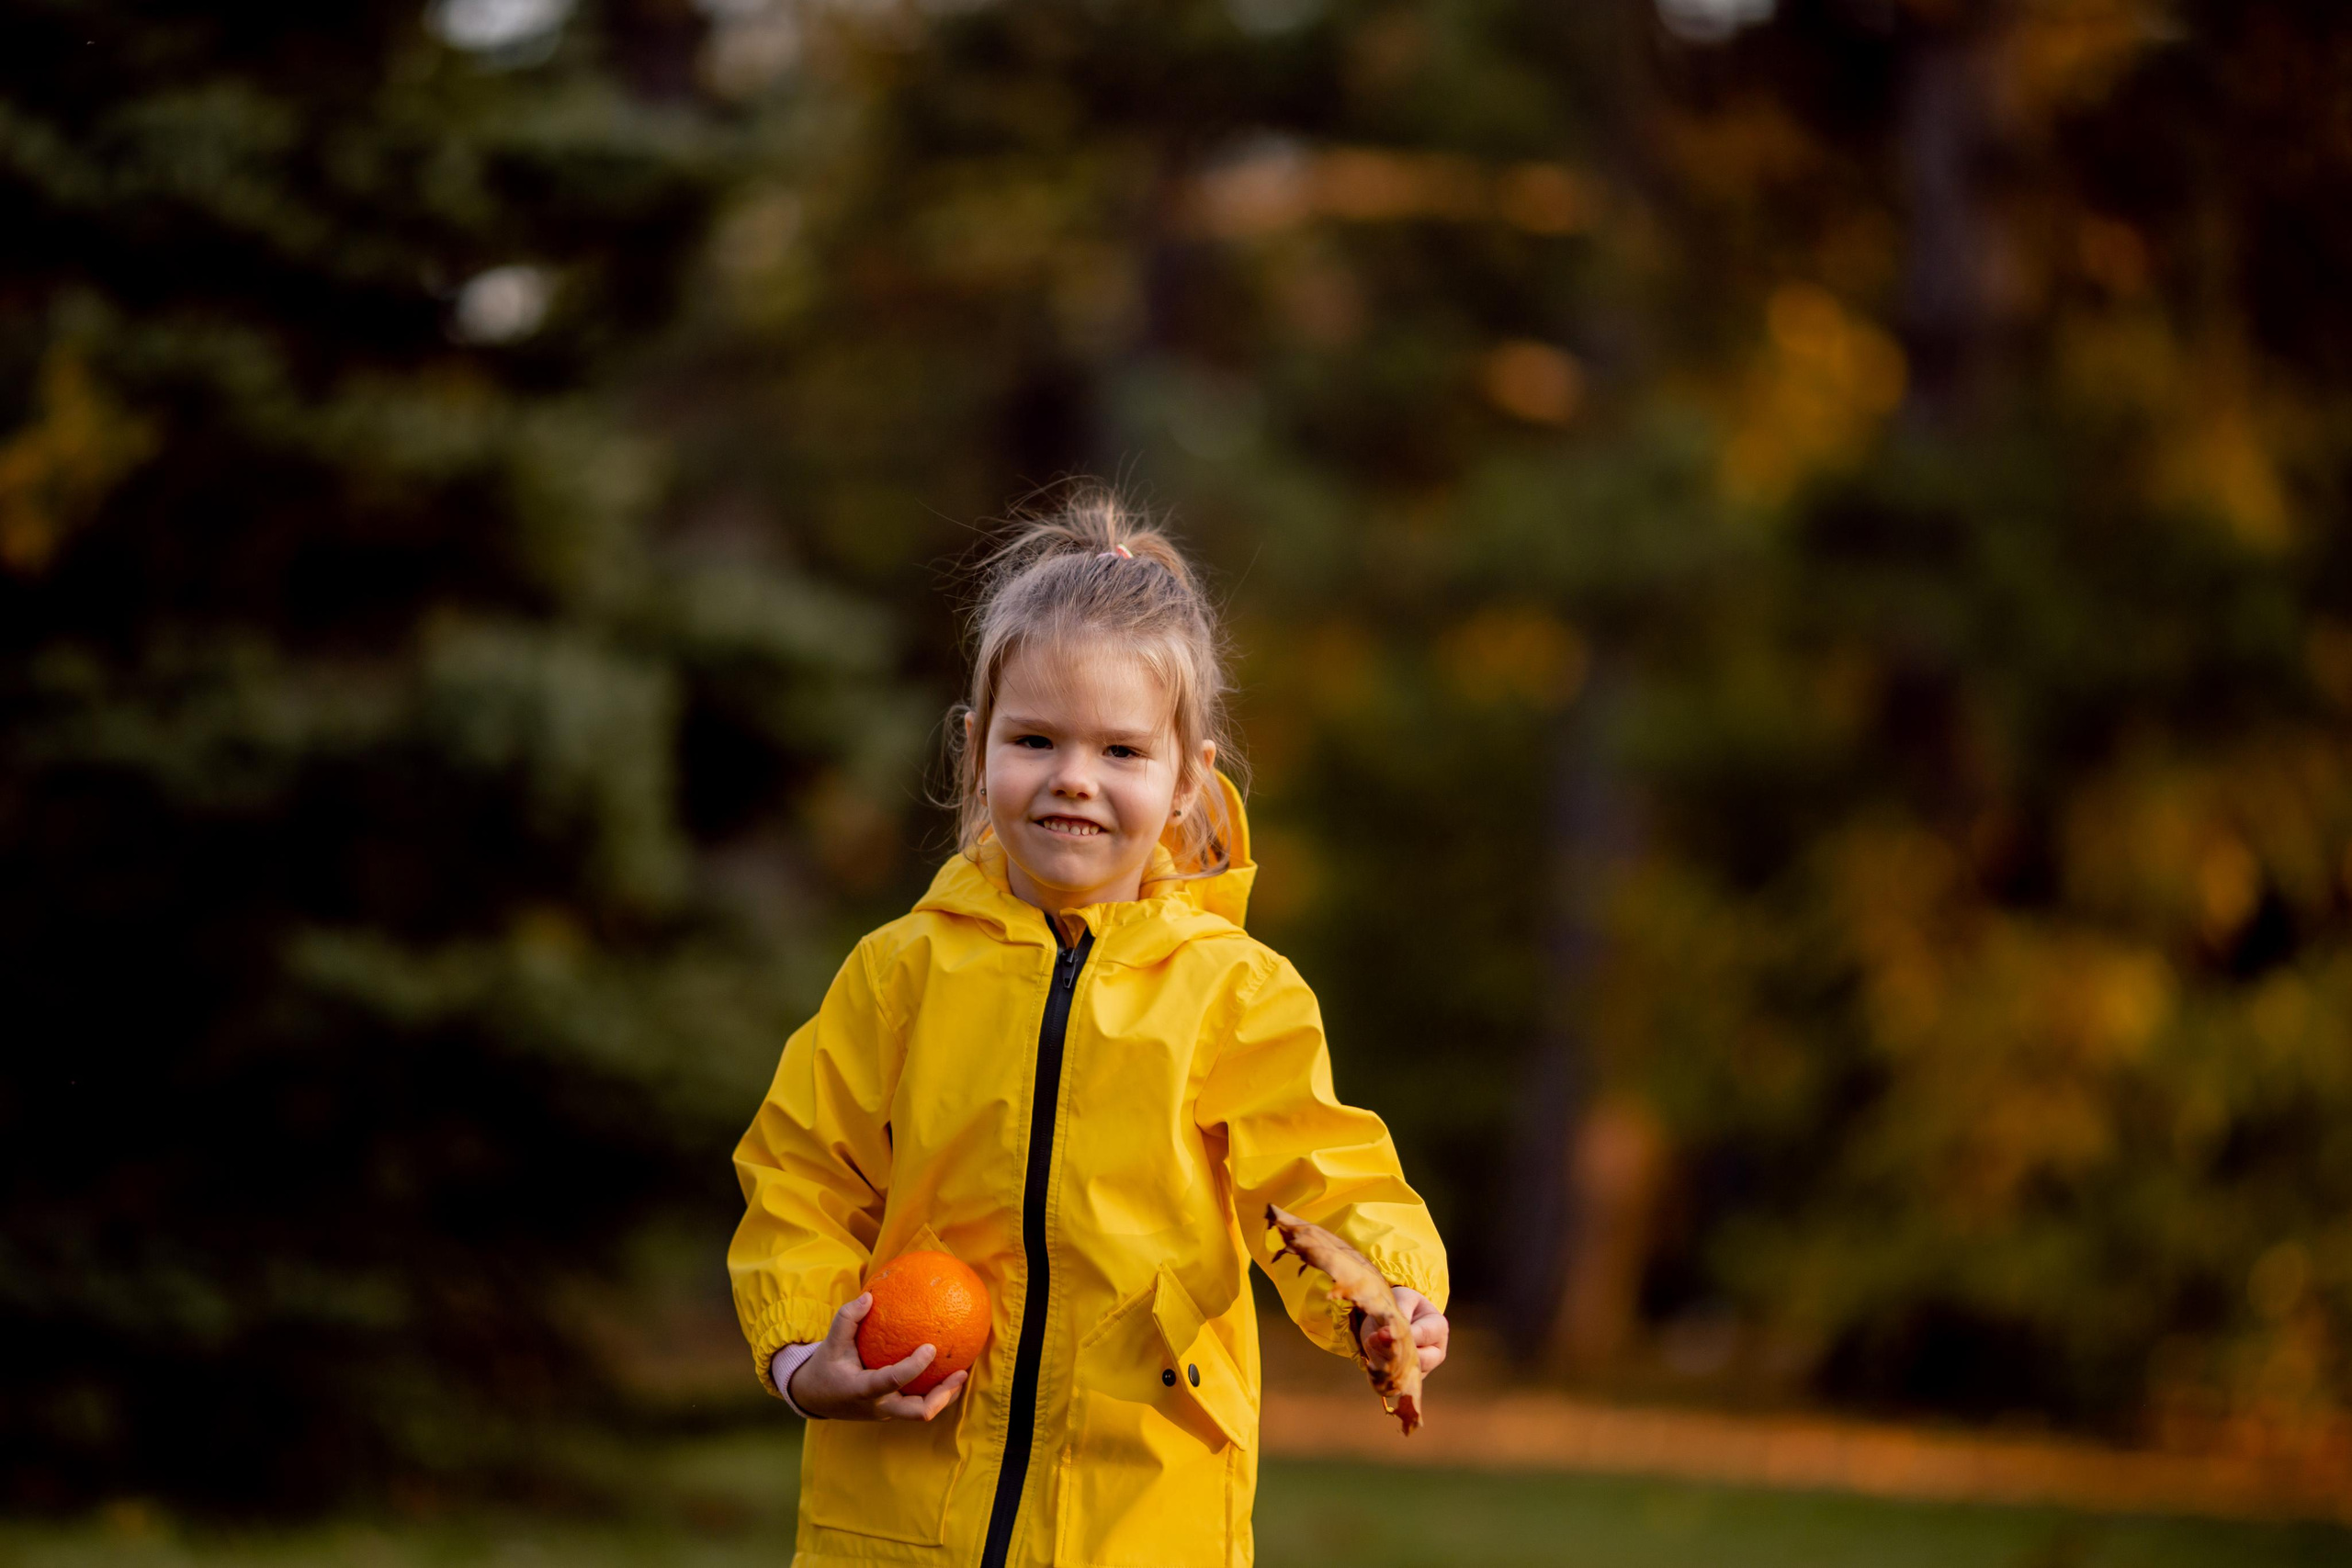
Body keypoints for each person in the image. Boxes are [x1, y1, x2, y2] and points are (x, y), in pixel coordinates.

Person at [729, 489, 1449, 1568]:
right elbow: (798, 1175)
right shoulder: (900, 974)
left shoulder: (1235, 992)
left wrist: (1383, 1285)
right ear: (978, 754)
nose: (1074, 778)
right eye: (1036, 739)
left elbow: (1315, 1176)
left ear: (1187, 783)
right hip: (906, 1504)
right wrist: (803, 1354)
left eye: (1121, 751)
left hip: (1141, 1505)